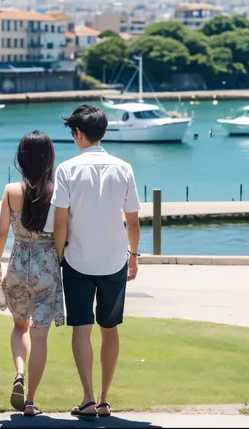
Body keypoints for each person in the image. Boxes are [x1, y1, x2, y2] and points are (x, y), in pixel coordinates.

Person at [53, 105, 141, 419]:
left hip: (76, 260)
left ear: (78, 134)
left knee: (81, 328)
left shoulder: (66, 169)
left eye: (73, 133)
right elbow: (132, 221)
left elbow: (60, 223)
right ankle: (104, 400)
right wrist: (134, 254)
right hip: (115, 259)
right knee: (110, 329)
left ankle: (88, 398)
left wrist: (57, 257)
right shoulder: (124, 167)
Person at [0, 130, 64, 417]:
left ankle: (19, 373)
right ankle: (31, 401)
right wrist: (59, 260)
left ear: (21, 158)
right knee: (41, 337)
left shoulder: (11, 191)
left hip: (19, 262)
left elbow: (2, 232)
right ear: (49, 158)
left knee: (19, 328)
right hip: (47, 263)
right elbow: (62, 232)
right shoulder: (58, 192)